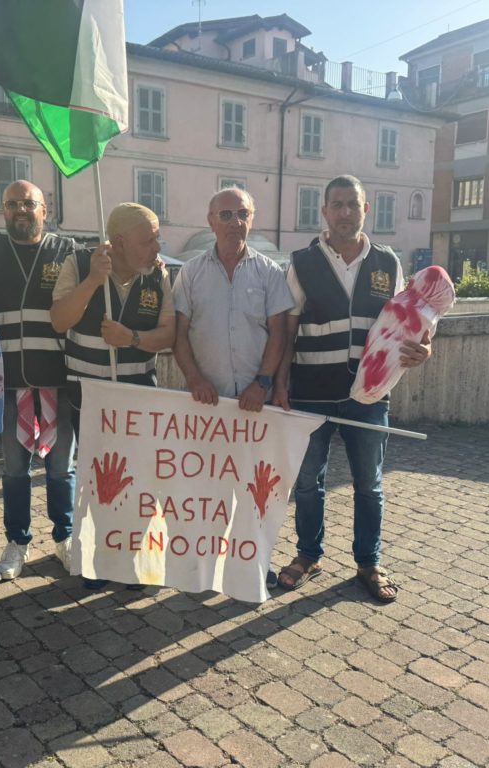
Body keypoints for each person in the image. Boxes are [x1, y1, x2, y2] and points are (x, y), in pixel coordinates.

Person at [273, 175, 432, 603]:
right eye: (337, 205)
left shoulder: (387, 262)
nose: (345, 212)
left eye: (353, 205)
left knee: (369, 484)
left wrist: (425, 347)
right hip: (310, 393)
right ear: (325, 211)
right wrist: (281, 384)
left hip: (369, 395)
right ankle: (309, 555)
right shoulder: (302, 263)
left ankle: (368, 563)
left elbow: (410, 321)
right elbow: (287, 330)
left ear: (366, 209)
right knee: (308, 483)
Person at [51, 202, 175, 589]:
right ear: (119, 242)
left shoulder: (158, 275)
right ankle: (98, 559)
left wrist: (132, 338)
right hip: (89, 399)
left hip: (139, 401)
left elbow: (169, 334)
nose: (157, 248)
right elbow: (59, 320)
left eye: (157, 239)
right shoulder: (78, 263)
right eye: (148, 241)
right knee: (96, 481)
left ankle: (136, 558)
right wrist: (92, 281)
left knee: (140, 482)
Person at [0, 180, 80, 581]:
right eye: (12, 204)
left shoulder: (69, 251)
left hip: (58, 379)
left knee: (62, 468)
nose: (20, 211)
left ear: (44, 210)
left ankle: (65, 536)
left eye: (28, 204)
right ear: (3, 210)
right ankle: (17, 541)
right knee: (14, 470)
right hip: (8, 382)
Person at [172, 187, 294, 413]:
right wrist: (195, 380)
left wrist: (262, 383)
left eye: (243, 214)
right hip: (205, 402)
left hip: (258, 402)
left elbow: (279, 333)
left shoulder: (270, 272)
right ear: (211, 222)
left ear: (251, 219)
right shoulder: (190, 273)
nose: (235, 222)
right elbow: (178, 334)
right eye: (226, 215)